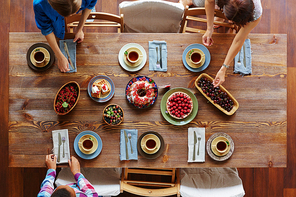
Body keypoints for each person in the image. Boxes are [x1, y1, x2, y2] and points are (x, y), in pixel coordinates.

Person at [179, 0, 262, 87]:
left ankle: (221, 17)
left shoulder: (256, 13)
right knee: (198, 3)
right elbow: (209, 1)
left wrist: (224, 68)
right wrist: (209, 29)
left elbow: (238, 40)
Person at [33, 0, 97, 72]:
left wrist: (79, 28)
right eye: (66, 15)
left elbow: (90, 4)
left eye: (76, 11)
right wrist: (59, 57)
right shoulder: (40, 4)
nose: (71, 16)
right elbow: (46, 29)